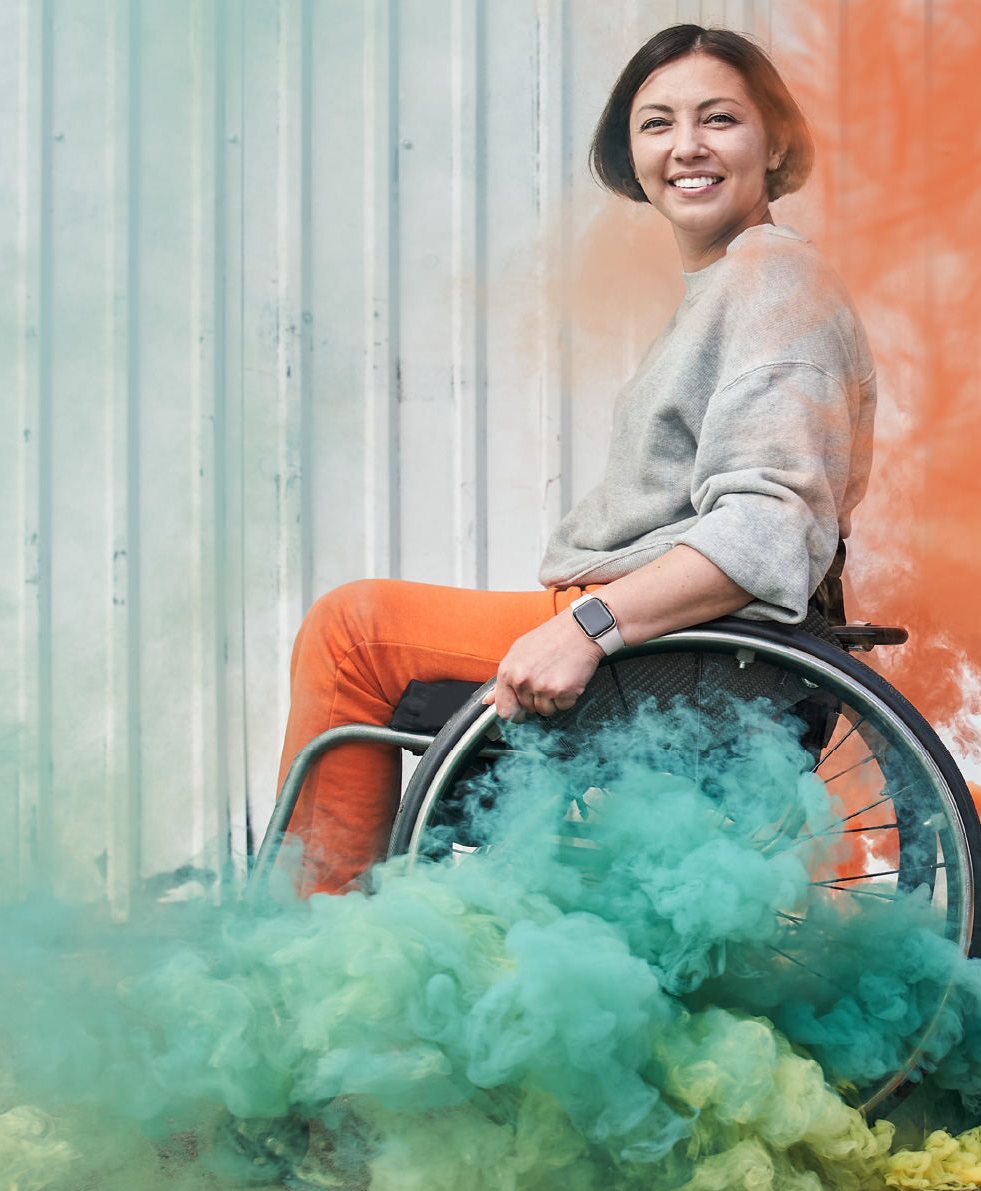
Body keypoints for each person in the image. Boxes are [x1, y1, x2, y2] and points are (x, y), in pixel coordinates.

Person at [273, 25, 875, 894]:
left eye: (719, 119)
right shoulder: (737, 282)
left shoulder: (774, 285)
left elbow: (768, 528)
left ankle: (312, 939)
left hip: (685, 657)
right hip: (679, 644)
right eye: (657, 124)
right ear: (633, 155)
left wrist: (585, 627)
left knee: (351, 633)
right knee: (361, 626)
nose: (687, 147)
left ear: (775, 141)